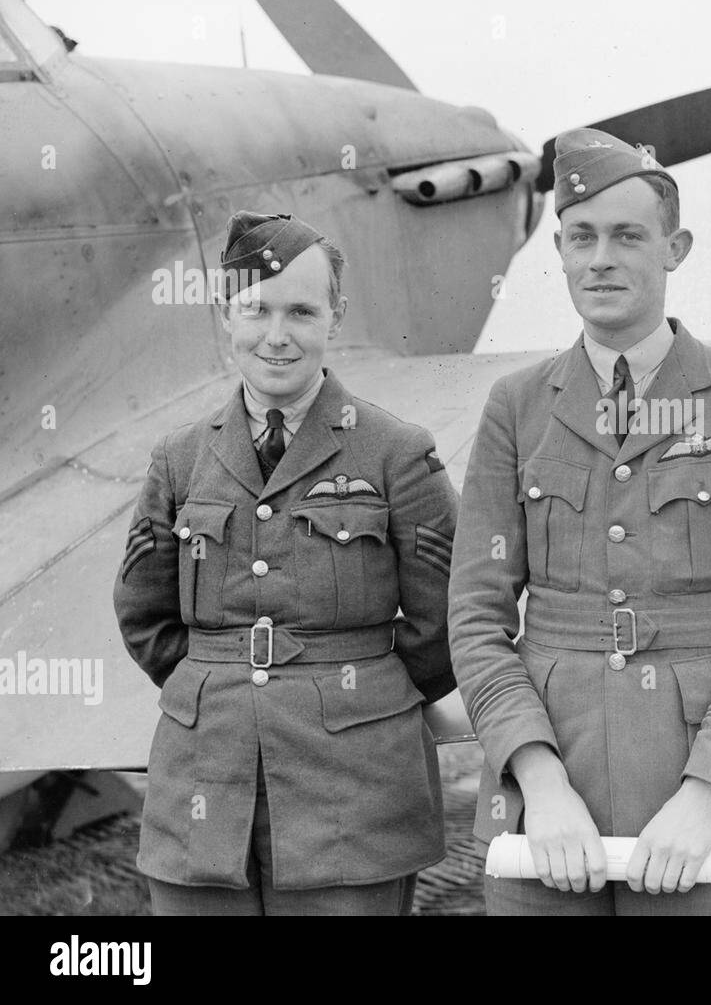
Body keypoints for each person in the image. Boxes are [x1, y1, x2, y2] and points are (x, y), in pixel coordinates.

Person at [449, 129, 711, 915]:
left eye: (627, 236)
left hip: (704, 812)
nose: (600, 260)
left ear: (675, 248)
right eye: (580, 238)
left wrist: (709, 792)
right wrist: (538, 779)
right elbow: (477, 615)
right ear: (557, 248)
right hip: (547, 808)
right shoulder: (517, 407)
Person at [113, 211, 458, 915]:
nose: (277, 335)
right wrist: (218, 683)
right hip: (203, 788)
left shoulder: (397, 453)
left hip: (355, 797)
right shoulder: (178, 459)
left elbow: (444, 624)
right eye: (256, 310)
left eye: (301, 310)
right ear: (224, 316)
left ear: (336, 315)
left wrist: (358, 699)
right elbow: (144, 617)